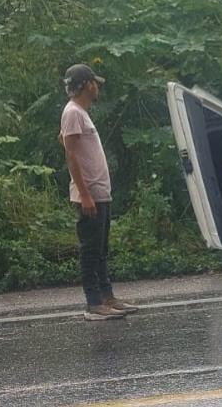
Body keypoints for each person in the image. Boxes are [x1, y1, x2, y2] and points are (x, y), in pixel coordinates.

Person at [60, 64, 138, 321]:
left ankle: (107, 297)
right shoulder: (72, 113)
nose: (98, 86)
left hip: (99, 193)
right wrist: (84, 194)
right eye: (94, 82)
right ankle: (93, 303)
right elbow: (70, 154)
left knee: (101, 250)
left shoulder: (81, 113)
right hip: (89, 194)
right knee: (90, 250)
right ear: (85, 85)